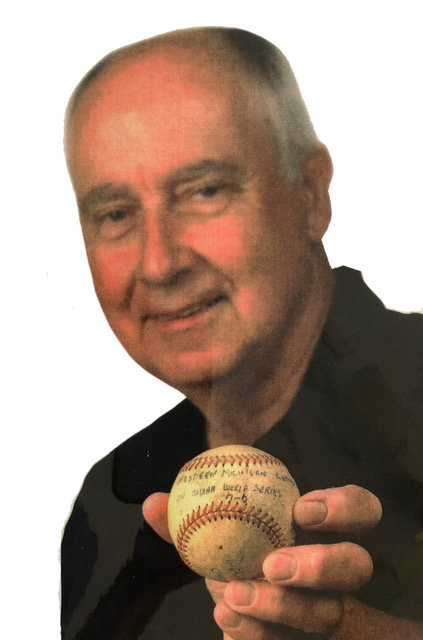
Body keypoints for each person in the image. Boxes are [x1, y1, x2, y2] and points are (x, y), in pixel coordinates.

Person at [62, 27, 423, 639]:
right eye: (116, 214)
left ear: (310, 194)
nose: (159, 263)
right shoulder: (109, 503)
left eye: (204, 191)